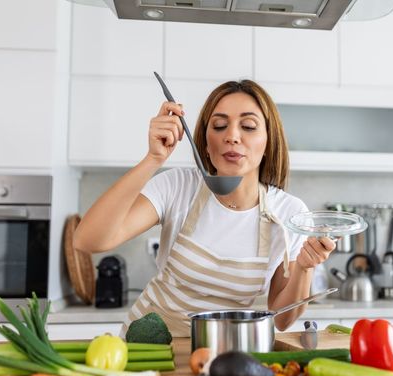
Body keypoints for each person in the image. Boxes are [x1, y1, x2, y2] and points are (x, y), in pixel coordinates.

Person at [74, 80, 335, 337]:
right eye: (220, 126)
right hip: (147, 345)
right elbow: (88, 240)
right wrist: (153, 159)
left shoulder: (288, 212)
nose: (232, 136)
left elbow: (282, 318)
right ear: (206, 144)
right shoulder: (178, 187)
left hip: (220, 350)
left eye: (248, 126)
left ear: (268, 141)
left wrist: (304, 266)